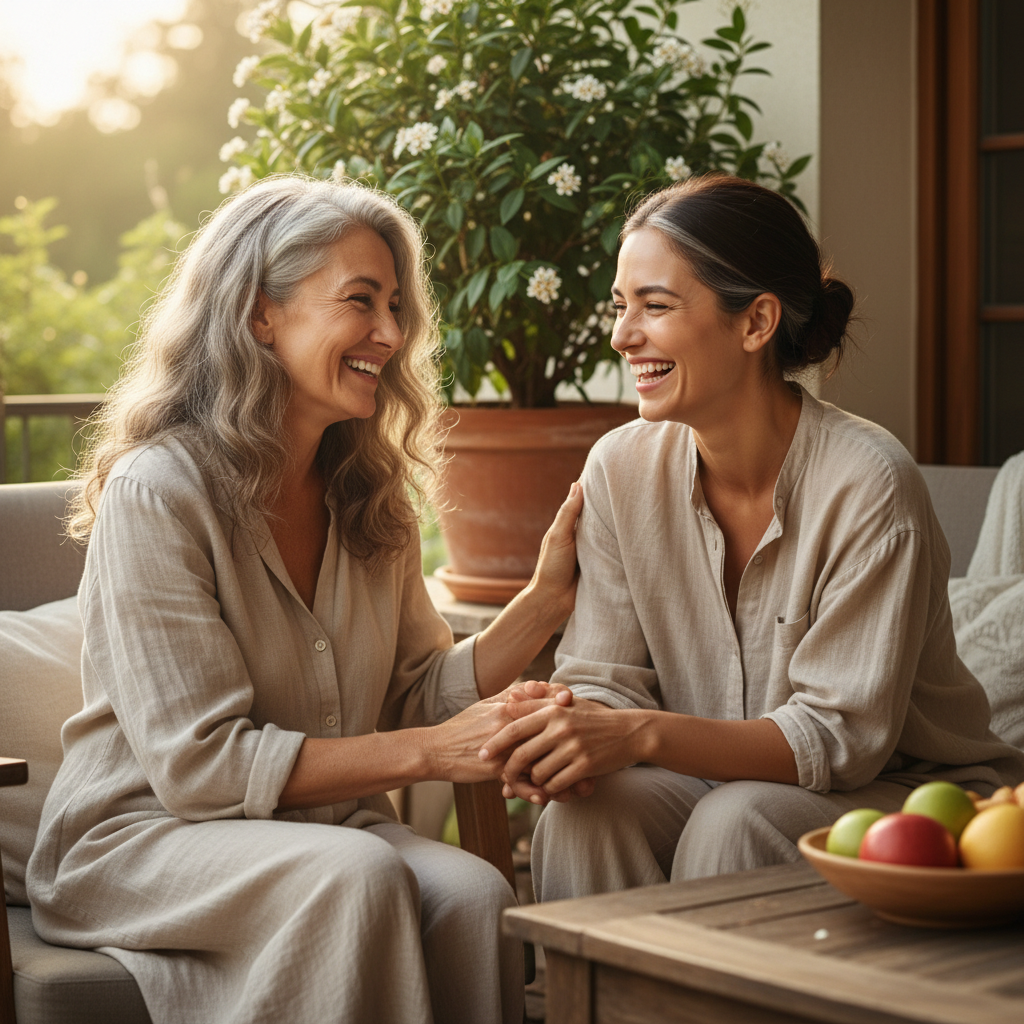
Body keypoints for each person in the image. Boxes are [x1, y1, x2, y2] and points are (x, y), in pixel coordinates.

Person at [26, 174, 581, 1024]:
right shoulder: (159, 492)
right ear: (259, 315)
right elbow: (200, 766)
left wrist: (544, 602)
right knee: (355, 876)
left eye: (396, 306)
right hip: (139, 842)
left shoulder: (369, 496)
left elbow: (416, 690)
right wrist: (435, 752)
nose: (392, 334)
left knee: (470, 891)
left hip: (321, 827)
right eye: (361, 301)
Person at [480, 175, 1024, 900]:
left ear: (756, 322)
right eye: (620, 306)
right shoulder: (619, 468)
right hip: (709, 779)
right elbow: (604, 680)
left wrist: (638, 736)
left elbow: (837, 737)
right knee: (588, 816)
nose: (621, 335)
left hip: (901, 791)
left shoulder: (870, 483)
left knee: (733, 821)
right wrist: (569, 733)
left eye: (655, 306)